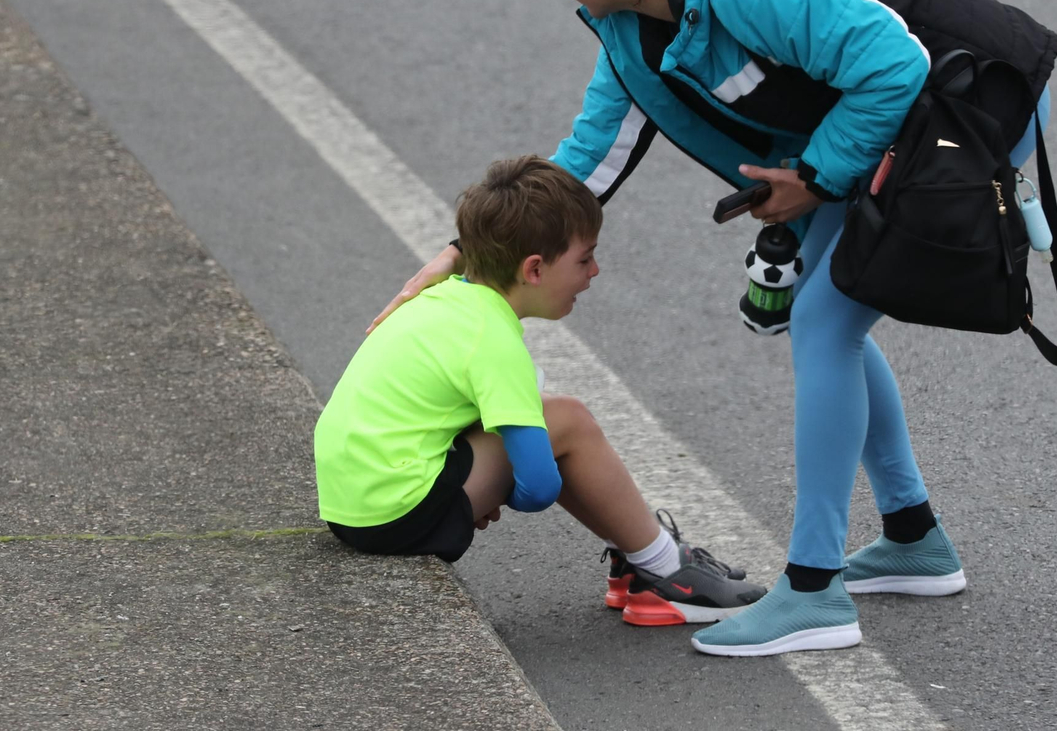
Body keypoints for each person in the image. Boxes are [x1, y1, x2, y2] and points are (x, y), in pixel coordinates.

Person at [369, 0, 1057, 657]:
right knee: (826, 317)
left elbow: (894, 66)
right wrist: (459, 255)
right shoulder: (627, 20)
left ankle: (814, 594)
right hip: (881, 120)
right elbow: (597, 149)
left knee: (825, 322)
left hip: (970, 101)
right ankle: (912, 539)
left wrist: (812, 176)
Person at [318, 154, 766, 626]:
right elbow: (539, 488)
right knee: (568, 420)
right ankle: (667, 574)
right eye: (585, 258)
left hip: (353, 505)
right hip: (397, 513)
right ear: (534, 269)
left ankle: (640, 552)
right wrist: (500, 488)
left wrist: (489, 474)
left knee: (544, 423)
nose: (594, 272)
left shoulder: (445, 297)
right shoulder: (492, 339)